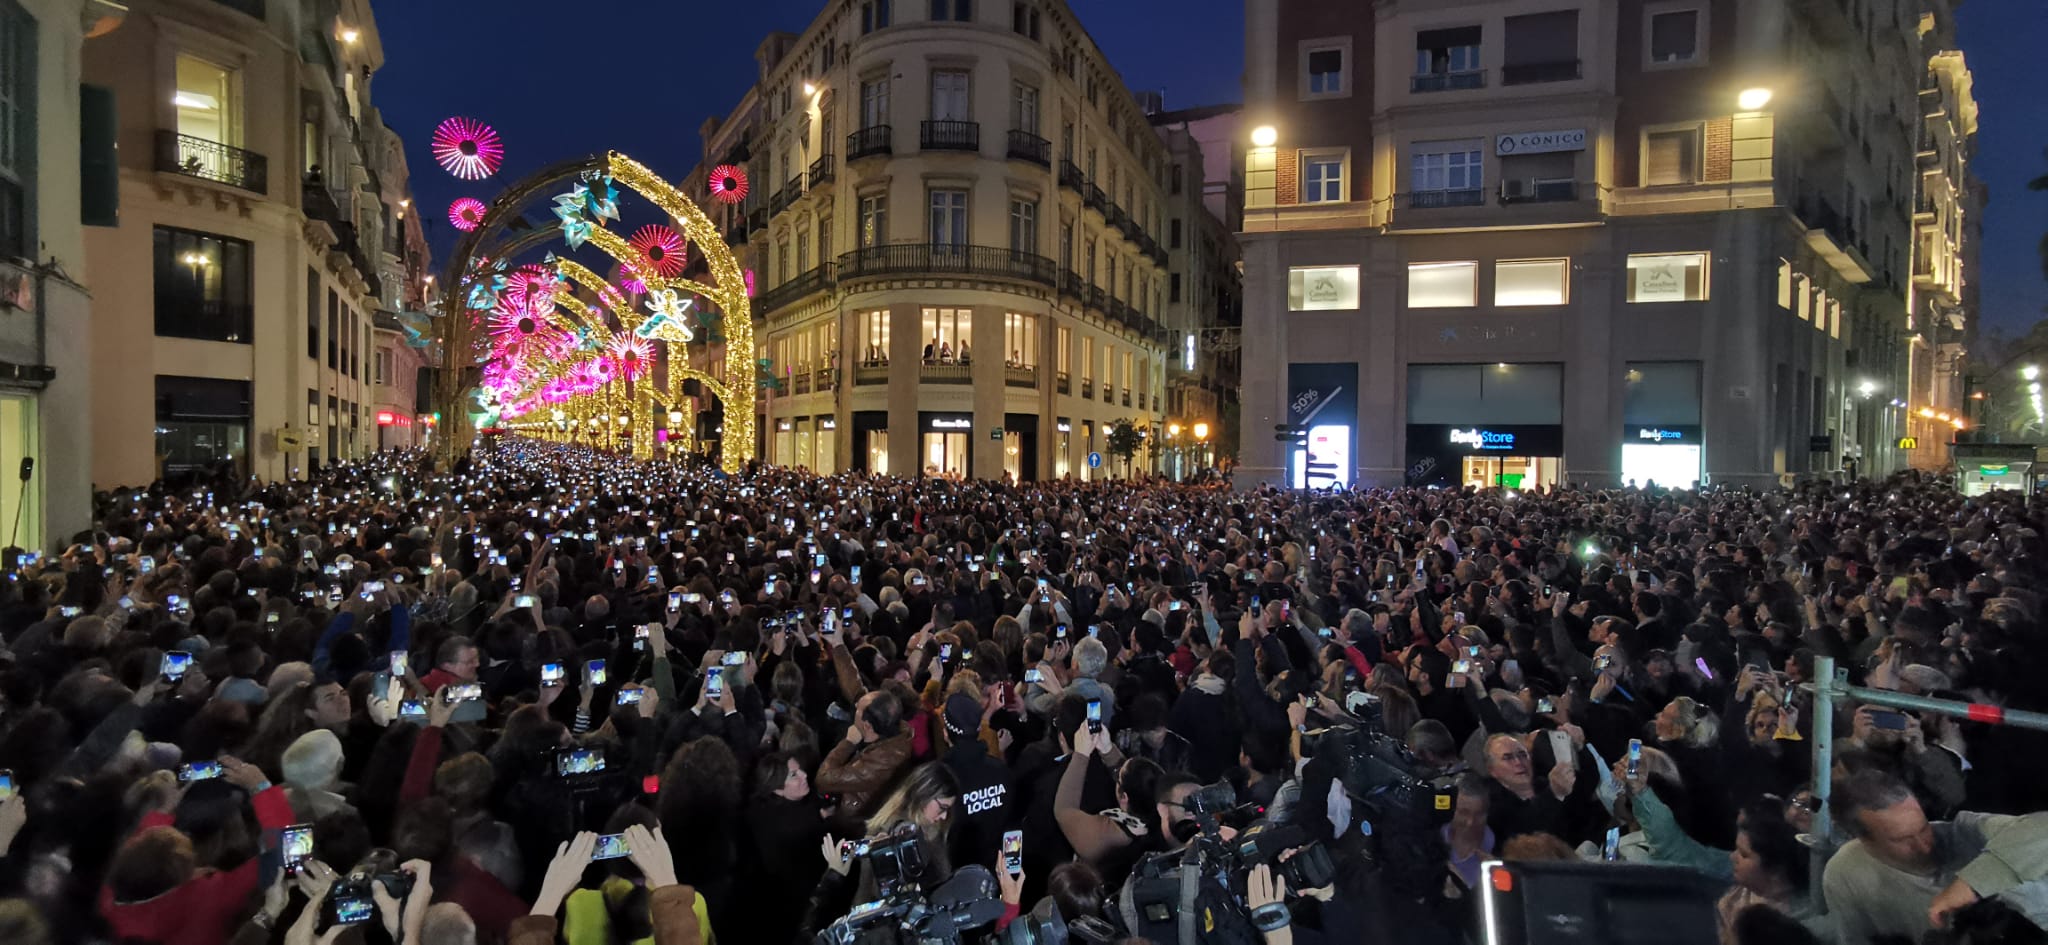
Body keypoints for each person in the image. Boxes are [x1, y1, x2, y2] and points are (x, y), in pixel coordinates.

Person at [1823, 769, 2048, 944]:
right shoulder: (1845, 872)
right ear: (1861, 838)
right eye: (1902, 839)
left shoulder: (1966, 832)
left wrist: (1973, 882)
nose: (1923, 845)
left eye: (1923, 828)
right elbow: (1857, 940)